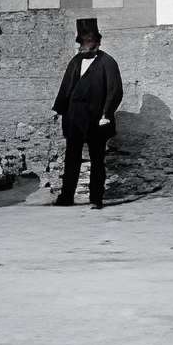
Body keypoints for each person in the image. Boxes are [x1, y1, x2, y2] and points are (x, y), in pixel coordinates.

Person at [51, 17, 122, 209]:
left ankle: (96, 198)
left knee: (97, 159)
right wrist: (60, 110)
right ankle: (67, 197)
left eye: (88, 43)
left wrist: (106, 114)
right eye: (82, 43)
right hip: (74, 117)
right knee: (71, 159)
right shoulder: (75, 61)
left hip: (97, 119)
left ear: (97, 43)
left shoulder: (108, 62)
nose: (84, 47)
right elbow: (66, 87)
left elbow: (115, 91)